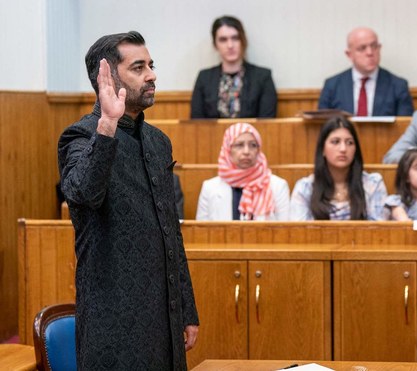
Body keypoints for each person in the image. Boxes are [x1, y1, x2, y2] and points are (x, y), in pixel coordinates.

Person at [57, 31, 198, 370]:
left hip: (165, 317)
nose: (151, 75)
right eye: (138, 67)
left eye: (151, 65)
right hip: (113, 323)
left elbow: (170, 233)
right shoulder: (80, 135)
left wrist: (187, 310)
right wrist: (107, 124)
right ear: (107, 75)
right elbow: (83, 194)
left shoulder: (158, 141)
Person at [290, 116, 387, 220]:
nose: (343, 149)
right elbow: (299, 233)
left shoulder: (373, 184)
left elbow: (378, 232)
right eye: (335, 142)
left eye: (349, 142)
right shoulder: (305, 188)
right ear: (322, 149)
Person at [196, 122, 290, 220]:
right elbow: (202, 232)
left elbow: (284, 230)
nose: (246, 151)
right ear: (228, 149)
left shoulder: (278, 186)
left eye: (253, 145)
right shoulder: (210, 187)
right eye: (239, 145)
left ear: (258, 150)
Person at [191, 16, 277, 118]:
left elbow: (267, 123)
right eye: (223, 40)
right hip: (211, 134)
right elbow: (196, 122)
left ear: (243, 41)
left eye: (235, 38)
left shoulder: (263, 77)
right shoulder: (204, 78)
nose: (230, 45)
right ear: (215, 44)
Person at [318, 27, 413, 116]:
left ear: (379, 48)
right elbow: (324, 128)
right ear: (349, 54)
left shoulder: (398, 86)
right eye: (362, 48)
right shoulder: (332, 86)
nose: (370, 53)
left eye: (374, 46)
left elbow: (405, 126)